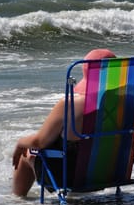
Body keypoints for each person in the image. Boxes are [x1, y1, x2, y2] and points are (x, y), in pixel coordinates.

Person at [12, 48, 116, 197]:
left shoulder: (72, 104)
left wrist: (20, 143)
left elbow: (39, 142)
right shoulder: (128, 106)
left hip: (69, 178)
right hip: (109, 174)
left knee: (27, 153)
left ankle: (18, 203)